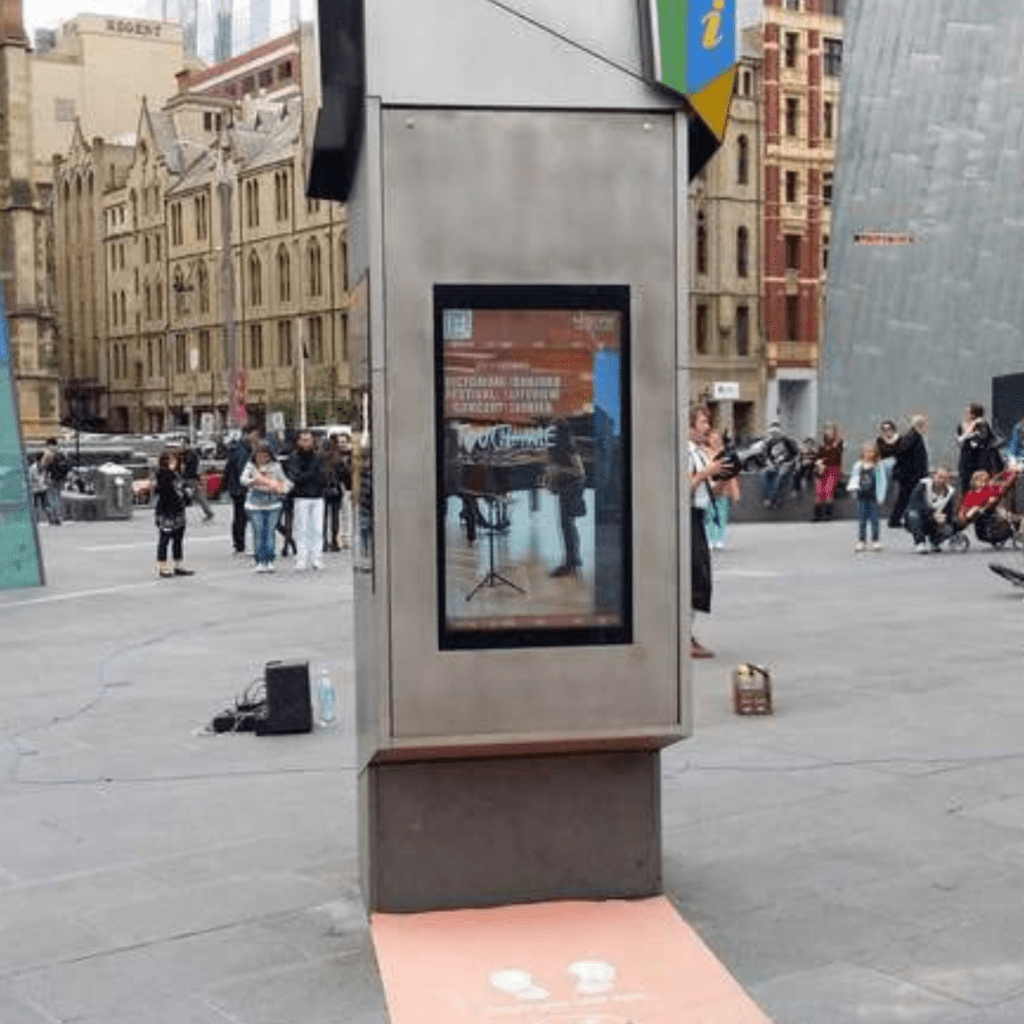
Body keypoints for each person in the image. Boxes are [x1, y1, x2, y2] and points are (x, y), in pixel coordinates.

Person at [689, 406, 722, 658]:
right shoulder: (685, 453)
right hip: (686, 518)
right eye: (702, 422)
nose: (707, 427)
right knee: (693, 577)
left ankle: (685, 634)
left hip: (698, 517)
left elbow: (711, 491)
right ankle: (683, 637)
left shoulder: (699, 453)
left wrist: (721, 477)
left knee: (700, 577)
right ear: (689, 426)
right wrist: (705, 473)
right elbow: (682, 487)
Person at [240, 442, 292, 572]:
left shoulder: (276, 466)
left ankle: (269, 560)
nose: (262, 459)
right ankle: (260, 561)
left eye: (265, 456)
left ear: (270, 456)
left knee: (269, 533)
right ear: (255, 456)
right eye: (259, 456)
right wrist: (254, 481)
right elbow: (243, 479)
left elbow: (286, 481)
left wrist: (281, 489)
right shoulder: (251, 466)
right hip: (254, 504)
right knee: (258, 532)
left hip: (273, 503)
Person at [545, 420, 587, 577]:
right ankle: (573, 561)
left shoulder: (569, 445)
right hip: (566, 486)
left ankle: (570, 563)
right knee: (567, 525)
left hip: (573, 486)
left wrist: (558, 469)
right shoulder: (557, 446)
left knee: (567, 524)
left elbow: (580, 471)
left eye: (552, 430)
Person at [286, 430, 328, 571]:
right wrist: (312, 473)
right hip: (301, 496)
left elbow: (323, 475)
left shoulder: (318, 456)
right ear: (298, 441)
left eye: (308, 439)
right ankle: (301, 559)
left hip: (318, 496)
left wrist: (310, 475)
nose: (306, 442)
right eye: (303, 439)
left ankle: (317, 559)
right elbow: (295, 477)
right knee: (301, 529)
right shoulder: (294, 457)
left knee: (317, 529)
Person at [154, 449, 194, 577]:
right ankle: (162, 566)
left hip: (178, 510)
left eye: (174, 460)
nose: (173, 463)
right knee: (164, 539)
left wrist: (187, 495)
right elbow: (165, 492)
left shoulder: (177, 474)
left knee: (178, 539)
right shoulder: (163, 475)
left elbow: (182, 489)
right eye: (170, 460)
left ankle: (178, 564)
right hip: (167, 511)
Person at [885, 415, 929, 528]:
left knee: (906, 498)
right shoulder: (913, 437)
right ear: (920, 425)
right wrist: (914, 473)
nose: (926, 427)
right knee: (906, 498)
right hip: (910, 476)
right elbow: (903, 455)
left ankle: (896, 520)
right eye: (924, 424)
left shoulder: (913, 436)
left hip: (910, 475)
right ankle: (895, 520)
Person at [903, 467, 956, 553]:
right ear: (934, 476)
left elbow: (949, 512)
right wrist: (932, 512)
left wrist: (944, 519)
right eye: (940, 477)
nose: (941, 480)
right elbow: (915, 503)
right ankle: (920, 543)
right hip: (919, 517)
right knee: (913, 514)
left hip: (934, 521)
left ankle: (935, 542)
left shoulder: (950, 492)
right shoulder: (923, 485)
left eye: (945, 478)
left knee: (949, 528)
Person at [847, 442, 887, 552]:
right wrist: (853, 491)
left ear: (875, 453)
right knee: (862, 519)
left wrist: (881, 496)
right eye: (866, 451)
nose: (868, 454)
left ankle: (875, 540)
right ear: (862, 453)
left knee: (874, 519)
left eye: (871, 451)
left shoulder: (878, 466)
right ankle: (861, 541)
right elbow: (854, 479)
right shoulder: (858, 465)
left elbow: (882, 482)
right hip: (861, 496)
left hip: (874, 496)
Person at [956, 403, 1002, 496]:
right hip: (966, 461)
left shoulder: (982, 425)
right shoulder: (962, 425)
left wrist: (974, 428)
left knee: (980, 485)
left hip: (980, 461)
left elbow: (983, 439)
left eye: (968, 413)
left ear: (974, 414)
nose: (966, 415)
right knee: (965, 486)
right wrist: (969, 431)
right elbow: (960, 442)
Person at [704, 430, 738, 550]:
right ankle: (710, 538)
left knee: (721, 515)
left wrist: (735, 492)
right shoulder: (705, 452)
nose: (715, 441)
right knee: (710, 515)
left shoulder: (726, 454)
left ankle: (719, 539)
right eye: (712, 439)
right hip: (709, 489)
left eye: (717, 439)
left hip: (723, 490)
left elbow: (732, 475)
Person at [222, 431, 255, 555]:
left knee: (239, 516)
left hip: (235, 488)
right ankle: (240, 544)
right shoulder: (243, 451)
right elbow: (242, 470)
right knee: (242, 517)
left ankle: (238, 544)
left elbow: (227, 469)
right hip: (241, 488)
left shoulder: (237, 449)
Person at [322, 434, 352, 553]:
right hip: (337, 490)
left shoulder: (320, 458)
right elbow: (346, 474)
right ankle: (334, 541)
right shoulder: (337, 458)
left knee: (323, 517)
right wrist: (349, 487)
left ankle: (324, 542)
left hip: (323, 490)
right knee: (335, 517)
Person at [761, 423, 799, 508]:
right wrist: (770, 463)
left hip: (786, 463)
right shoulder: (769, 442)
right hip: (775, 464)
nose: (774, 435)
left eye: (775, 433)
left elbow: (795, 453)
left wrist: (789, 463)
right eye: (772, 433)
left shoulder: (787, 440)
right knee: (765, 474)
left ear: (779, 432)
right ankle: (769, 497)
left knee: (780, 477)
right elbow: (766, 454)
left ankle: (773, 499)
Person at [812, 422, 844, 521]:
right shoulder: (821, 443)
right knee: (819, 492)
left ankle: (828, 514)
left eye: (831, 429)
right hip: (821, 469)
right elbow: (817, 456)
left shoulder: (839, 442)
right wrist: (818, 463)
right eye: (827, 429)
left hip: (833, 469)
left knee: (828, 491)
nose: (828, 431)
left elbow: (835, 457)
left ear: (835, 431)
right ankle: (817, 515)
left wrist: (823, 461)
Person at [180, 442, 215, 523]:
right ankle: (209, 512)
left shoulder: (190, 455)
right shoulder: (192, 455)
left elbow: (188, 469)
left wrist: (185, 478)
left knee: (183, 497)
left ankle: (181, 516)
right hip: (192, 479)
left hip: (189, 479)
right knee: (198, 497)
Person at [38, 437, 69, 526]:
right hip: (61, 478)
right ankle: (59, 516)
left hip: (51, 478)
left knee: (52, 497)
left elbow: (43, 466)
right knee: (58, 496)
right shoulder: (62, 452)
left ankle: (54, 517)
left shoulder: (48, 453)